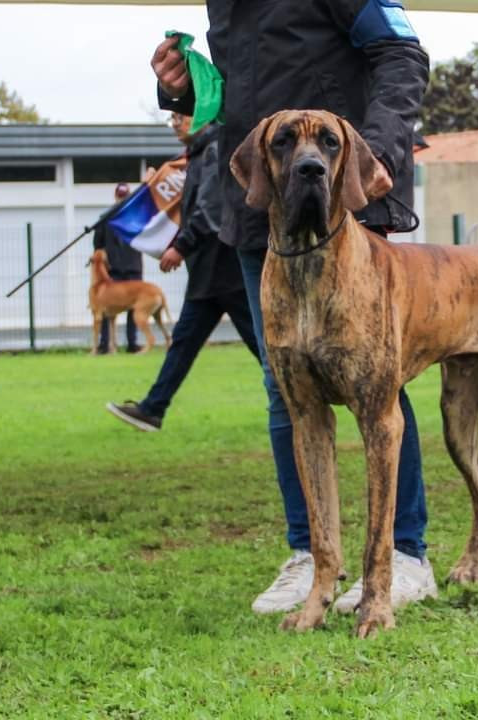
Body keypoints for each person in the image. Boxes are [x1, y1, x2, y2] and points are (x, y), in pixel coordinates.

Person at [150, 2, 436, 615]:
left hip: (345, 200)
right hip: (262, 215)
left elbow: (403, 54)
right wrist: (181, 90)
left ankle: (405, 555)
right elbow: (239, 99)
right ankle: (311, 555)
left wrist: (379, 154)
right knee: (283, 389)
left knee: (377, 383)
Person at [105, 113, 261, 432]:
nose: (176, 123)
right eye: (172, 118)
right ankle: (153, 408)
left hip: (224, 268)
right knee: (185, 343)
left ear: (203, 113)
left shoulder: (213, 150)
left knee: (264, 347)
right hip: (210, 273)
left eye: (181, 116)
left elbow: (211, 208)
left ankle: (302, 398)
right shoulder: (199, 153)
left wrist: (181, 245)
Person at [93, 182, 144, 353]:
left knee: (133, 307)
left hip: (132, 269)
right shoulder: (106, 219)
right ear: (116, 196)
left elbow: (97, 245)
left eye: (124, 196)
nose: (122, 199)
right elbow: (98, 246)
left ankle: (132, 343)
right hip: (113, 271)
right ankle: (105, 344)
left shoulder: (136, 218)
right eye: (121, 196)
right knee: (106, 308)